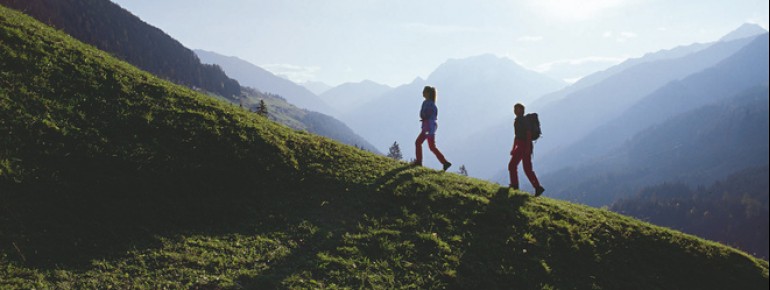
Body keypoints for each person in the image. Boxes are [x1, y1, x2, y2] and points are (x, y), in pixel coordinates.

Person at [508, 103, 545, 196]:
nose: (514, 111)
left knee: (512, 165)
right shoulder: (519, 120)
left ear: (521, 110)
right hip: (524, 146)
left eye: (516, 109)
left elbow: (527, 133)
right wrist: (513, 148)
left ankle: (515, 185)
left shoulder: (521, 121)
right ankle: (537, 187)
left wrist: (526, 148)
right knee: (527, 169)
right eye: (514, 109)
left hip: (523, 146)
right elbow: (517, 136)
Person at [414, 86, 452, 171]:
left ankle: (419, 161)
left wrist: (424, 117)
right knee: (431, 146)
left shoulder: (428, 103)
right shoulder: (430, 103)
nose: (422, 93)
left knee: (418, 142)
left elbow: (427, 114)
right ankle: (445, 162)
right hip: (429, 127)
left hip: (428, 128)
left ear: (428, 93)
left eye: (424, 91)